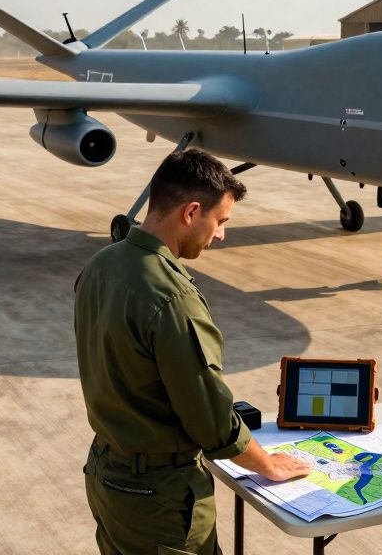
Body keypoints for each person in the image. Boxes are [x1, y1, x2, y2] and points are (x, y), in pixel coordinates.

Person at [75, 148, 309, 554]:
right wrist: (267, 464)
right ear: (191, 212)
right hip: (158, 496)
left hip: (107, 474)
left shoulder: (102, 264)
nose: (220, 234)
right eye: (219, 221)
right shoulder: (171, 296)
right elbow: (210, 418)